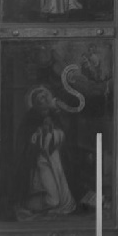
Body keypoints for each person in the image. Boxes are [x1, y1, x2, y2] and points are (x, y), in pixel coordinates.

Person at [15, 87, 76, 219]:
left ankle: (47, 206)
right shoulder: (30, 118)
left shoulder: (54, 114)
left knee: (61, 196)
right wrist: (41, 132)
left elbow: (63, 136)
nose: (44, 100)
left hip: (55, 160)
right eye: (40, 98)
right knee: (53, 200)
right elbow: (27, 142)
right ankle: (27, 205)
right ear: (34, 102)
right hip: (40, 163)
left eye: (45, 96)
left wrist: (54, 132)